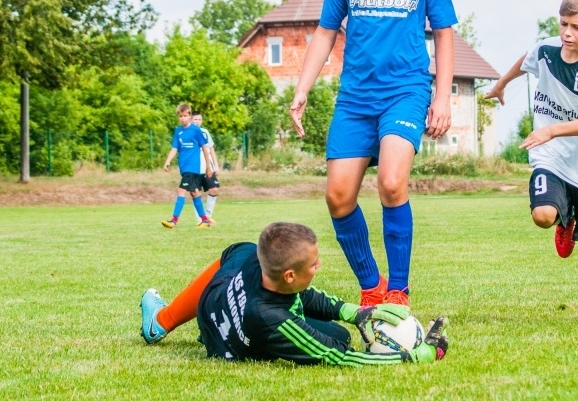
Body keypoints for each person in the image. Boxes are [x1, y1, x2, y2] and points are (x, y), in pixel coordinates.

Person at [289, 0, 457, 308]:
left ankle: (398, 291)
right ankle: (372, 286)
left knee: (391, 182)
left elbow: (444, 34)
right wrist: (302, 89)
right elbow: (326, 33)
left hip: (405, 90)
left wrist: (442, 97)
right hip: (355, 98)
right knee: (338, 195)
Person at [139, 222, 449, 366]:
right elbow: (338, 356)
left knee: (238, 249)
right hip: (224, 337)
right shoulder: (274, 319)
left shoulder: (256, 258)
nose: (319, 265)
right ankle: (163, 321)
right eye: (313, 264)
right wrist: (410, 356)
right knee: (338, 337)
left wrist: (359, 312)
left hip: (213, 301)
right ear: (289, 275)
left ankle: (161, 321)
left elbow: (307, 295)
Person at [485, 0, 578, 323]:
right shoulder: (547, 49)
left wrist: (552, 129)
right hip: (552, 157)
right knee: (542, 215)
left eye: (577, 27)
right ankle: (563, 218)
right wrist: (501, 83)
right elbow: (527, 59)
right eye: (563, 24)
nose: (567, 34)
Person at [161, 103, 214, 229]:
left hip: (192, 168)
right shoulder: (178, 131)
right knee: (195, 193)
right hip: (184, 168)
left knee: (180, 191)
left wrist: (208, 166)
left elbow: (205, 148)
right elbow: (175, 148)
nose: (183, 118)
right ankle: (205, 220)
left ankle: (174, 221)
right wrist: (167, 161)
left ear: (190, 116)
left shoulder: (196, 130)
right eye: (180, 116)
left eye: (185, 116)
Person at [191, 112, 221, 225]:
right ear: (191, 120)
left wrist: (216, 165)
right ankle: (200, 219)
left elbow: (211, 149)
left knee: (214, 189)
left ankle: (207, 216)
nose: (197, 121)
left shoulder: (205, 132)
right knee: (195, 192)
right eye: (195, 119)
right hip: (194, 168)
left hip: (207, 167)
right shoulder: (187, 133)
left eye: (199, 119)